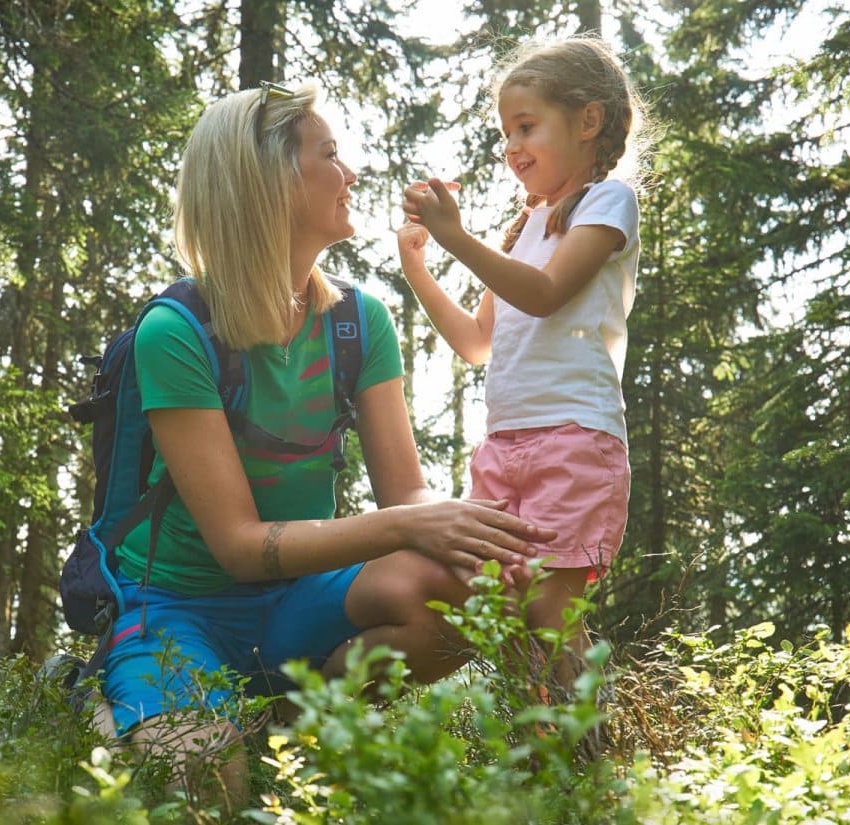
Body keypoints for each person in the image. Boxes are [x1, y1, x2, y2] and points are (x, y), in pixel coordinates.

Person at [100, 80, 556, 813]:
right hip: (179, 607)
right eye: (330, 155)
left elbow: (405, 495)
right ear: (269, 180)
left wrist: (458, 526)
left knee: (473, 588)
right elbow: (241, 546)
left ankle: (288, 721)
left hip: (298, 603)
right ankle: (142, 704)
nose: (350, 174)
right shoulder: (175, 333)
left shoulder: (357, 322)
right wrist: (413, 523)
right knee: (206, 788)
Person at [398, 36, 649, 692]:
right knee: (499, 604)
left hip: (574, 435)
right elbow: (477, 342)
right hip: (506, 445)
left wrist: (455, 236)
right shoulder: (525, 224)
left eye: (527, 127)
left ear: (587, 121)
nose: (513, 146)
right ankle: (542, 760)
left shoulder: (607, 202)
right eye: (507, 131)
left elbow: (544, 293)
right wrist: (419, 267)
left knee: (548, 606)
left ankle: (585, 766)